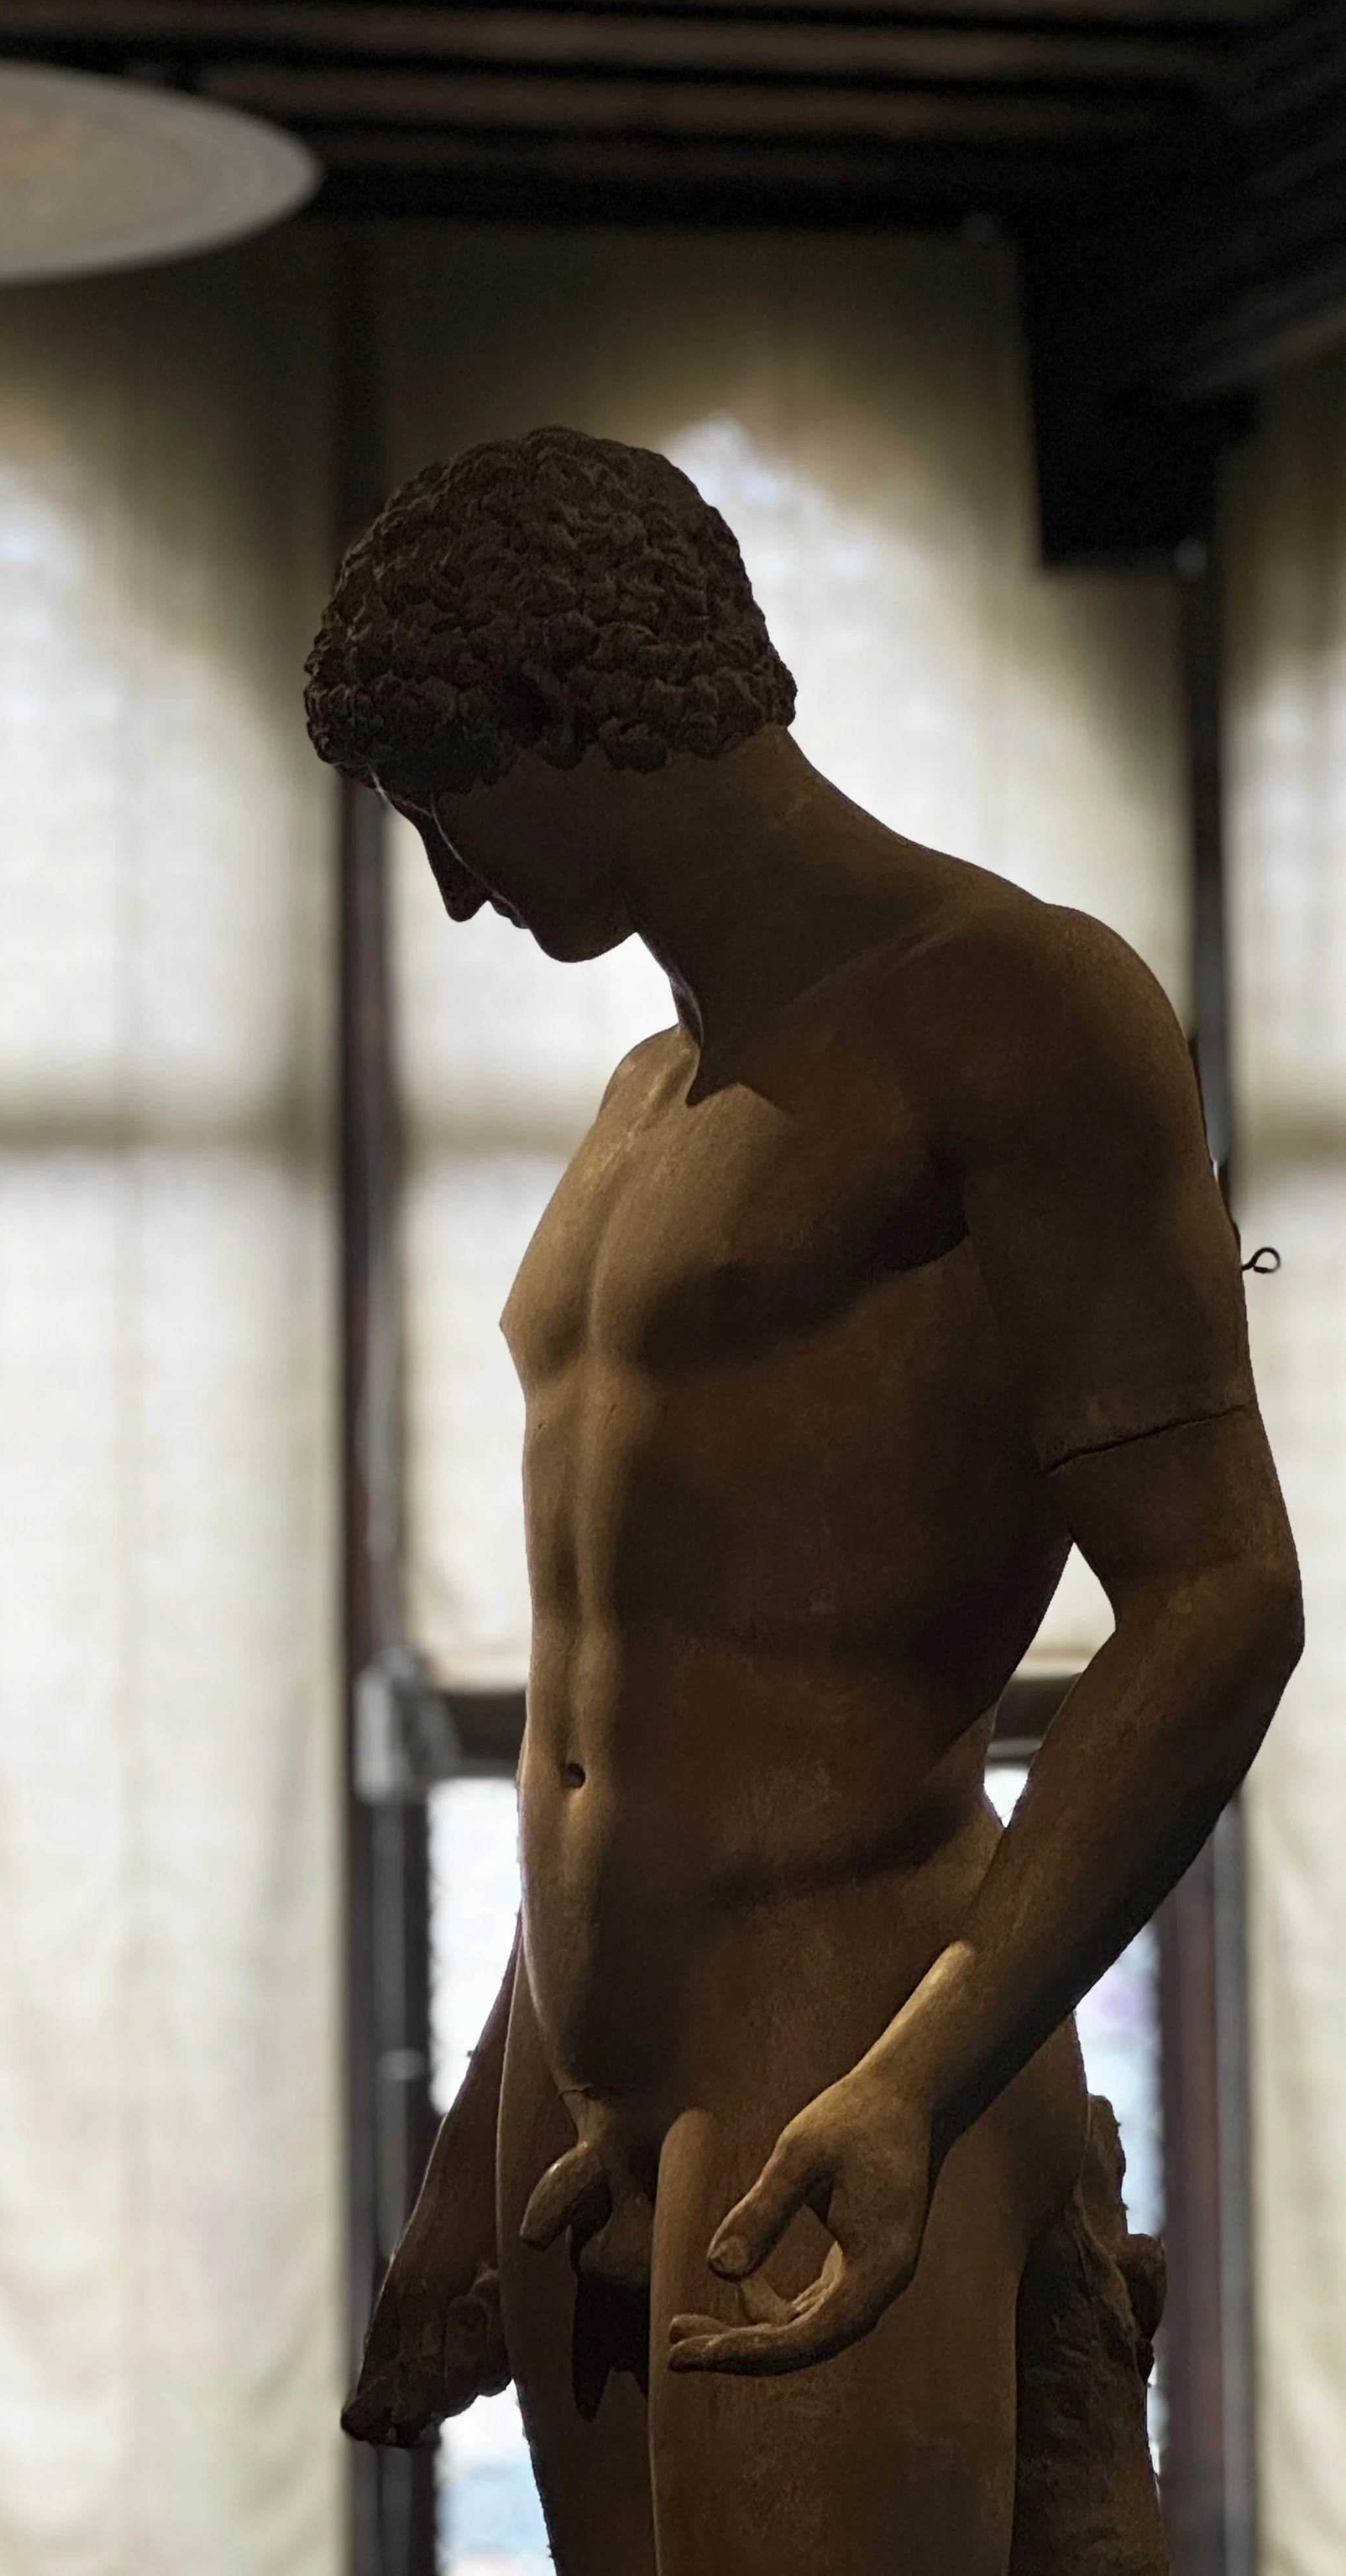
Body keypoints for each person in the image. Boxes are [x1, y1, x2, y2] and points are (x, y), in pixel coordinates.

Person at [304, 426, 1300, 2576]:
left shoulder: (1008, 1006)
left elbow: (1219, 1594)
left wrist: (922, 2079)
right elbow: (612, 1696)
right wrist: (478, 2131)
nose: (455, 888)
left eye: (448, 807)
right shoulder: (636, 1101)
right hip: (583, 2077)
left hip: (846, 2013)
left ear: (561, 711)